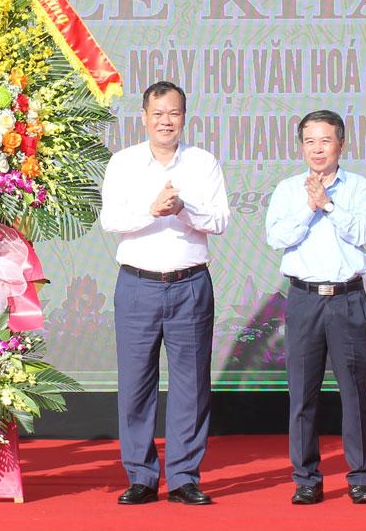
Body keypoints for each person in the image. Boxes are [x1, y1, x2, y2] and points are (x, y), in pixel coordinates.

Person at [99, 81, 229, 506]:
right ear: (144, 117)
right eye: (157, 114)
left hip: (190, 285)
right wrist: (151, 210)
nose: (165, 121)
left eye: (173, 113)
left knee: (191, 385)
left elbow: (219, 221)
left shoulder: (203, 163)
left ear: (184, 117)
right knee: (136, 384)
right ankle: (141, 477)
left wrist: (183, 208)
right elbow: (110, 220)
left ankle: (185, 477)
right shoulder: (123, 162)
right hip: (137, 285)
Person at [265, 110, 366, 505]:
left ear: (340, 144)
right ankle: (306, 479)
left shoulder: (359, 187)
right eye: (310, 141)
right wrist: (309, 208)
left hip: (347, 299)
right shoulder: (287, 190)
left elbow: (365, 232)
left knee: (356, 394)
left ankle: (361, 478)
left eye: (325, 140)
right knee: (302, 394)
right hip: (303, 299)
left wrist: (329, 205)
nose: (317, 148)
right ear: (301, 146)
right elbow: (276, 238)